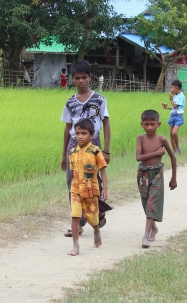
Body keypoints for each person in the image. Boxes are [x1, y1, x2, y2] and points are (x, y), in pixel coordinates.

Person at [61, 60, 111, 237]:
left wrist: (106, 149)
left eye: (84, 77)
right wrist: (63, 154)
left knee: (92, 181)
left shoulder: (99, 100)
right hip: (74, 144)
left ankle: (99, 210)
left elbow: (105, 124)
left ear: (90, 78)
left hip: (93, 142)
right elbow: (68, 128)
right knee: (73, 181)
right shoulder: (70, 103)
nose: (81, 81)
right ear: (73, 79)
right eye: (77, 78)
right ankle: (78, 223)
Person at [136, 110, 177, 248]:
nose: (149, 127)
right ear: (141, 124)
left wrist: (173, 178)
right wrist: (157, 153)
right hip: (143, 174)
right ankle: (153, 228)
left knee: (152, 202)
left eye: (152, 124)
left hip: (157, 174)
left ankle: (145, 236)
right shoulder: (140, 138)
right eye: (146, 124)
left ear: (158, 124)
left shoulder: (162, 139)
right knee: (145, 202)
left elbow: (173, 157)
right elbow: (138, 158)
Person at [66, 119, 108, 256]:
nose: (79, 136)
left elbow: (102, 170)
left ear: (92, 135)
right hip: (75, 190)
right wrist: (72, 187)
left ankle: (96, 230)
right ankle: (75, 245)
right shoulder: (72, 152)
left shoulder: (95, 151)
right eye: (77, 133)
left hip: (91, 191)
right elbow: (73, 172)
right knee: (75, 215)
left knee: (92, 217)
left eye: (83, 133)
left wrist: (105, 189)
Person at [161, 80, 185, 155]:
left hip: (178, 117)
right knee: (171, 134)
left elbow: (175, 106)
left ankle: (177, 147)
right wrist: (167, 107)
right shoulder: (176, 96)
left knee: (174, 133)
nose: (171, 89)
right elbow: (174, 108)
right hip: (172, 116)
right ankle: (174, 151)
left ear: (176, 88)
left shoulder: (182, 96)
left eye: (172, 88)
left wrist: (171, 98)